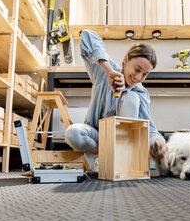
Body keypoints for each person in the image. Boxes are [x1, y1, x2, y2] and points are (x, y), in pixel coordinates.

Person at [65, 29, 168, 172]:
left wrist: (159, 141)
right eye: (137, 70)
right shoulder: (103, 72)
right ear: (126, 59)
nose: (138, 77)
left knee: (132, 97)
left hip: (125, 142)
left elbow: (149, 128)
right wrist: (108, 70)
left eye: (145, 74)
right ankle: (105, 155)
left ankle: (122, 157)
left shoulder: (140, 92)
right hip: (98, 135)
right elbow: (87, 35)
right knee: (73, 133)